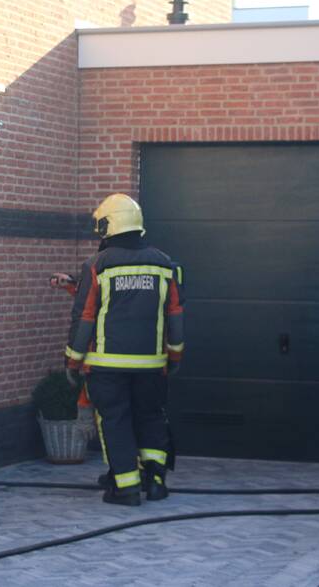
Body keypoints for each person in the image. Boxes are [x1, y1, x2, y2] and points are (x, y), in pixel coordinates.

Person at [62, 193, 184, 506]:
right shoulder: (165, 263)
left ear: (110, 225)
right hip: (152, 365)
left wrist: (72, 362)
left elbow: (85, 317)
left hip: (107, 366)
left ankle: (126, 487)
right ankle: (155, 481)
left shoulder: (97, 265)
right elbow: (175, 316)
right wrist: (174, 358)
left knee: (115, 421)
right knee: (151, 417)